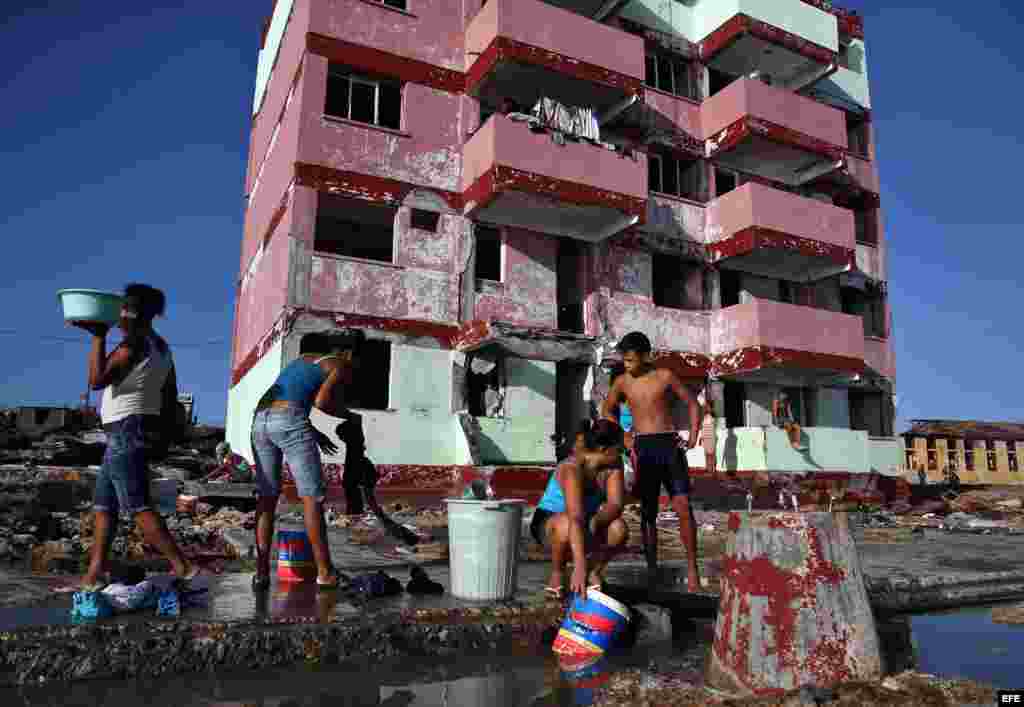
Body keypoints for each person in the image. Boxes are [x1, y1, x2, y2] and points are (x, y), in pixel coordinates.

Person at [74, 283, 197, 592]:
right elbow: (169, 395)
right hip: (129, 430)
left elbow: (96, 379)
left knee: (137, 505)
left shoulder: (135, 344)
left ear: (134, 312)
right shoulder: (161, 346)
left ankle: (184, 568)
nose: (119, 315)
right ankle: (94, 574)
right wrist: (163, 434)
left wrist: (98, 336)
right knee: (104, 506)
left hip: (126, 431)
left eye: (123, 309)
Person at [249, 330, 365, 592]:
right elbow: (321, 403)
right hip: (289, 420)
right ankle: (325, 573)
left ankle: (261, 574)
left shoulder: (301, 362)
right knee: (311, 497)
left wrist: (313, 432)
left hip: (259, 422)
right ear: (348, 353)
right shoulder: (338, 364)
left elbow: (286, 403)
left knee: (267, 497)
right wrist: (349, 416)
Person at [601, 331, 702, 592]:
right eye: (624, 360)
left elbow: (693, 404)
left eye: (631, 360)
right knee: (648, 512)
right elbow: (607, 409)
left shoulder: (665, 376)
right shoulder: (622, 382)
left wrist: (693, 437)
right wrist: (623, 436)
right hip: (643, 449)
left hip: (669, 446)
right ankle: (652, 570)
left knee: (683, 506)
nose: (627, 365)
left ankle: (693, 569)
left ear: (646, 356)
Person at [531, 419, 628, 599]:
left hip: (585, 520)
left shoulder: (614, 464)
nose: (623, 452)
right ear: (603, 449)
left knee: (619, 528)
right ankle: (557, 573)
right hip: (551, 525)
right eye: (620, 448)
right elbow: (575, 517)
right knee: (566, 523)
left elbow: (616, 505)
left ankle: (594, 571)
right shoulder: (571, 468)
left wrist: (596, 521)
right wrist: (579, 566)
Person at [701, 392, 718, 476]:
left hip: (711, 436)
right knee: (706, 454)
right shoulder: (704, 416)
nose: (706, 407)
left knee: (711, 454)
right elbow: (703, 427)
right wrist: (701, 437)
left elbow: (713, 426)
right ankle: (708, 469)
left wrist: (709, 400)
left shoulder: (712, 415)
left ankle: (713, 470)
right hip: (705, 436)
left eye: (708, 406)